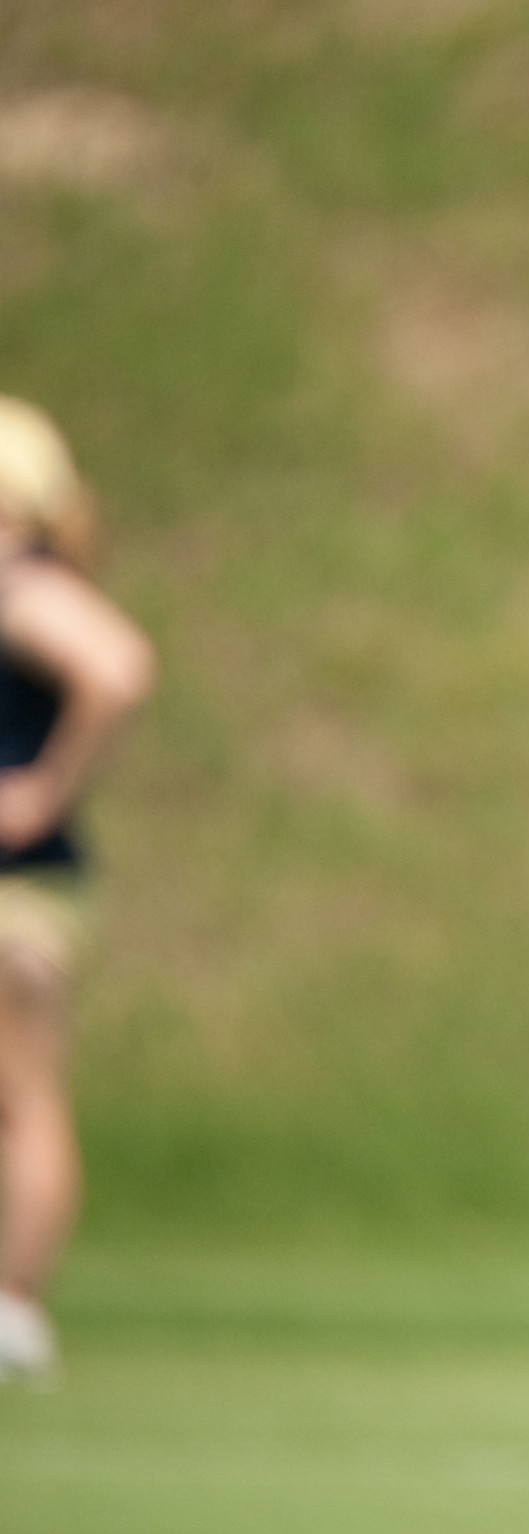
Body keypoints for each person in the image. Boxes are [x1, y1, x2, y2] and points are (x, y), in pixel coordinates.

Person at [0, 398, 154, 1387]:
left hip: (18, 886)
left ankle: (14, 1306)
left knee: (21, 1096)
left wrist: (40, 792)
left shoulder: (20, 586)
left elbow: (118, 667)